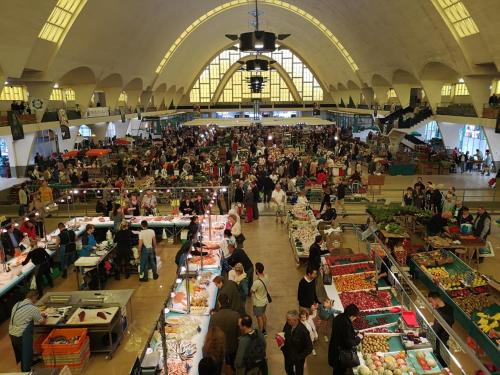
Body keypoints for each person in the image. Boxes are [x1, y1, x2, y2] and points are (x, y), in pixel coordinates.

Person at [9, 291, 47, 372]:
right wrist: (44, 317)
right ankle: (26, 371)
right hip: (22, 334)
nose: (36, 301)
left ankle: (30, 362)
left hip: (12, 333)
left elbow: (24, 316)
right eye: (36, 299)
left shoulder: (17, 304)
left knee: (22, 352)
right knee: (26, 354)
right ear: (34, 298)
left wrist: (39, 315)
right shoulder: (33, 308)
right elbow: (42, 322)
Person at [328, 304, 363, 375]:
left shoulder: (339, 316)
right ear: (352, 316)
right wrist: (358, 338)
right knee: (339, 371)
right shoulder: (346, 324)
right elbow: (349, 343)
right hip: (340, 354)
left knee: (336, 369)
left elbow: (341, 333)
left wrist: (352, 332)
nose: (354, 319)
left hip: (334, 347)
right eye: (355, 317)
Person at [210, 293, 240, 372]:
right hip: (233, 346)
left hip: (220, 347)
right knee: (233, 365)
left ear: (219, 303)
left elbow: (212, 333)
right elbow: (239, 333)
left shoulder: (214, 317)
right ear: (228, 301)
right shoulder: (236, 315)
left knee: (222, 366)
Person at [280, 310, 313, 375]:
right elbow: (284, 334)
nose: (287, 320)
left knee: (299, 373)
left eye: (288, 319)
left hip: (298, 359)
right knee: (288, 371)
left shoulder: (303, 331)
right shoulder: (287, 324)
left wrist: (299, 357)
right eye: (287, 319)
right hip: (288, 355)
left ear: (295, 320)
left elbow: (309, 348)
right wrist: (281, 341)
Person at [427, 292, 454, 367]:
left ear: (436, 299)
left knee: (441, 364)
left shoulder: (441, 314)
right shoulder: (448, 307)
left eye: (431, 301)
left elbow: (434, 331)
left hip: (440, 342)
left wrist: (419, 334)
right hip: (444, 340)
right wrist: (435, 324)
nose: (431, 304)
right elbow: (450, 321)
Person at [251, 262, 270, 335]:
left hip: (258, 303)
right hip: (264, 301)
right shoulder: (266, 277)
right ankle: (264, 330)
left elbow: (252, 291)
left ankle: (260, 332)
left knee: (259, 318)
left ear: (257, 270)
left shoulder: (256, 283)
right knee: (263, 315)